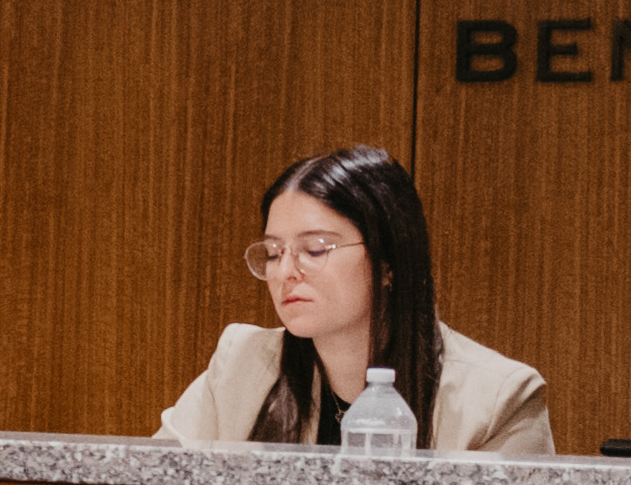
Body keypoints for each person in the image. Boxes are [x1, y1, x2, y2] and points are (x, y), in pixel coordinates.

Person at [152, 146, 550, 457]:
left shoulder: (498, 397)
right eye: (274, 252)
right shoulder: (240, 364)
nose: (286, 271)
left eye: (315, 248)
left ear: (388, 262)